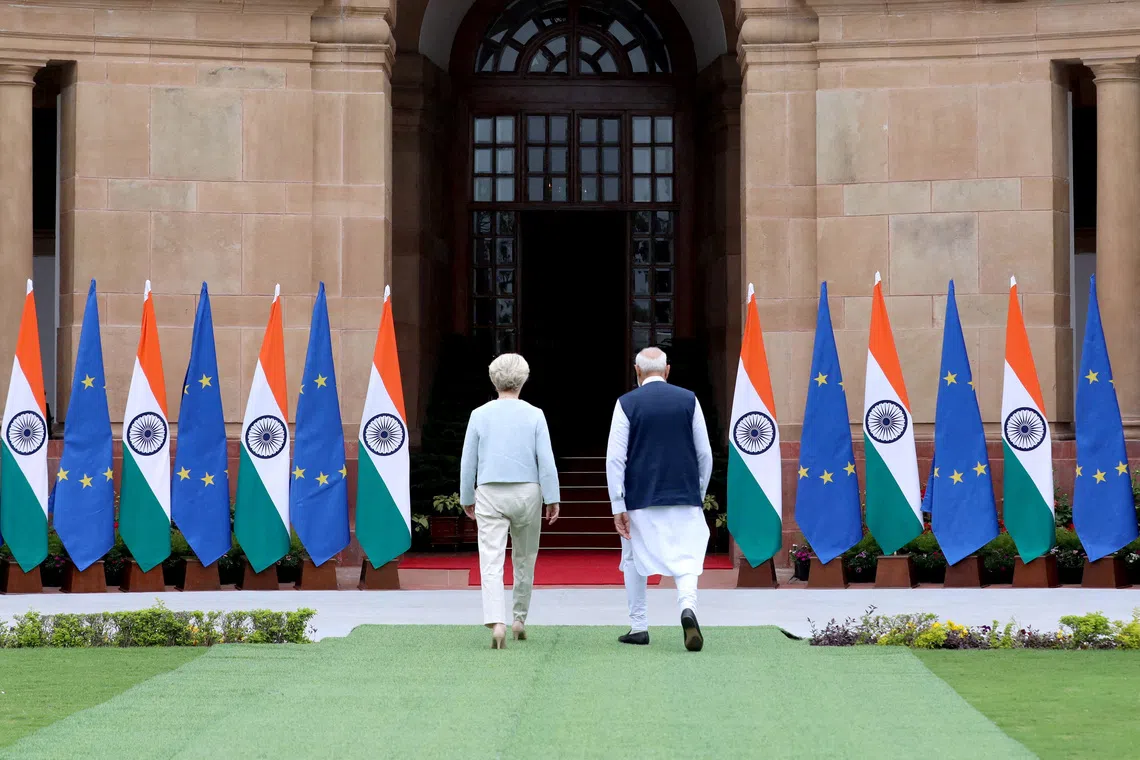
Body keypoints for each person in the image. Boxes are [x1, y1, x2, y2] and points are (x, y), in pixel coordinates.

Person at [606, 347, 713, 652]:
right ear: (667, 370)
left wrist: (618, 503)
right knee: (688, 558)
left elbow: (615, 459)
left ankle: (639, 626)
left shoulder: (626, 403)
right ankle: (687, 607)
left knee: (632, 559)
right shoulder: (689, 400)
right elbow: (704, 453)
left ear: (636, 372)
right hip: (684, 494)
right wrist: (699, 493)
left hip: (640, 497)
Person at [460, 353, 560, 650]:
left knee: (490, 558)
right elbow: (546, 459)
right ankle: (519, 618)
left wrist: (467, 497)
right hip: (528, 491)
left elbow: (468, 461)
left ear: (493, 379)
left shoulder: (479, 414)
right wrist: (552, 497)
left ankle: (497, 621)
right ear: (524, 379)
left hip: (490, 490)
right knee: (525, 557)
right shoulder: (535, 414)